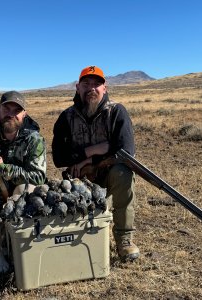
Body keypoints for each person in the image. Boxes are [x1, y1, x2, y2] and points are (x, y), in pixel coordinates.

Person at [52, 66, 139, 261]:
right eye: (86, 84)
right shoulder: (66, 117)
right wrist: (91, 151)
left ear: (105, 88)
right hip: (81, 177)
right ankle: (80, 239)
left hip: (108, 174)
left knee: (123, 172)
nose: (92, 88)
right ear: (77, 87)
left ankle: (124, 239)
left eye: (96, 84)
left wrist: (91, 161)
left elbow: (126, 152)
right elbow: (58, 157)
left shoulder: (117, 112)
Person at [0, 90, 47, 208]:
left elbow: (38, 177)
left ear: (24, 114)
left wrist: (2, 169)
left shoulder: (34, 140)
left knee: (25, 189)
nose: (10, 114)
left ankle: (20, 224)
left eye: (17, 110)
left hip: (23, 199)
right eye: (6, 109)